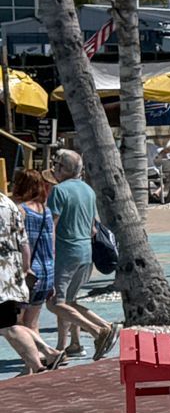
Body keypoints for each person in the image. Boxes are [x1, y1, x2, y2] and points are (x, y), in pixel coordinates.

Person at [46, 149, 118, 360]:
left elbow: (51, 226)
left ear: (65, 169)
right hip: (85, 251)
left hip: (65, 252)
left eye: (57, 165)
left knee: (56, 303)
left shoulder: (59, 191)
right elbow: (92, 229)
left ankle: (99, 330)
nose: (54, 169)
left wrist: (47, 255)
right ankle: (73, 344)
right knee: (69, 302)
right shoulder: (88, 191)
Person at [1, 171, 63, 373]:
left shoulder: (21, 208)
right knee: (27, 322)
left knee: (13, 324)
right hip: (35, 270)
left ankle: (37, 364)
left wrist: (26, 269)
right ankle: (40, 359)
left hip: (17, 273)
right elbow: (35, 243)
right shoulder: (37, 209)